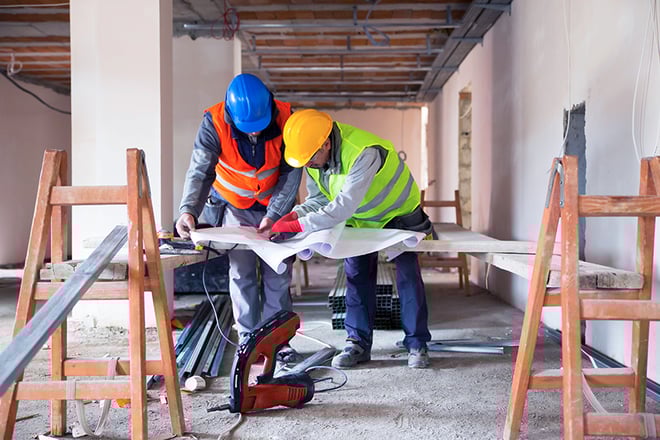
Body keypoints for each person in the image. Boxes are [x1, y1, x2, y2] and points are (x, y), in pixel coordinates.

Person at [272, 109, 434, 369]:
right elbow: (319, 200)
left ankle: (416, 344)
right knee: (356, 275)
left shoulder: (363, 151)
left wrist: (297, 225)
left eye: (309, 158)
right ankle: (357, 343)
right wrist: (290, 216)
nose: (307, 165)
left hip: (398, 213)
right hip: (362, 218)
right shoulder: (314, 159)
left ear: (326, 143)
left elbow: (341, 208)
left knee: (407, 276)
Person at [176, 73, 302, 359]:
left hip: (275, 206)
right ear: (232, 115)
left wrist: (275, 214)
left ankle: (278, 342)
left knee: (278, 273)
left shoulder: (286, 118)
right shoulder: (213, 122)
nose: (255, 133)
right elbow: (200, 171)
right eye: (249, 129)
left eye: (259, 127)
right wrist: (188, 210)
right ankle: (248, 341)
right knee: (242, 273)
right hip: (235, 207)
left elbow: (291, 173)